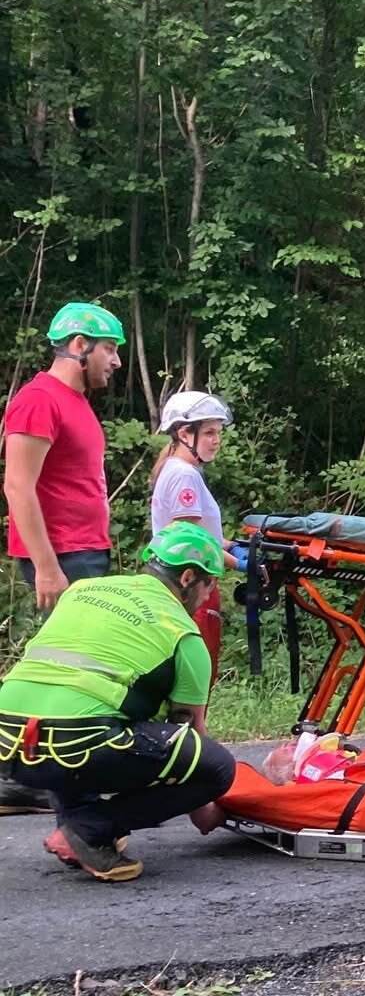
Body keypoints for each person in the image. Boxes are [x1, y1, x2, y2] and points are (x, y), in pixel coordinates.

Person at [0, 525, 237, 880]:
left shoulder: (83, 589)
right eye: (209, 584)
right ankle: (87, 830)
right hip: (73, 746)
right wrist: (206, 808)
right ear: (188, 577)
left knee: (91, 714)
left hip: (8, 741)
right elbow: (190, 737)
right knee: (217, 766)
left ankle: (83, 829)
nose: (208, 596)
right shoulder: (184, 635)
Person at [4, 302, 124, 610]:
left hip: (84, 552)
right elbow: (17, 486)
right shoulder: (39, 400)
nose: (117, 361)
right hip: (64, 556)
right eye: (109, 349)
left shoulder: (75, 401)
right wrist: (45, 567)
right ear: (80, 344)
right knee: (71, 656)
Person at [150, 391, 237, 675]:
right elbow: (192, 546)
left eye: (218, 433)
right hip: (189, 587)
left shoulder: (185, 471)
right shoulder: (183, 475)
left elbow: (203, 534)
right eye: (210, 432)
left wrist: (233, 546)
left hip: (192, 585)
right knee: (195, 673)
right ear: (185, 433)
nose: (217, 440)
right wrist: (243, 564)